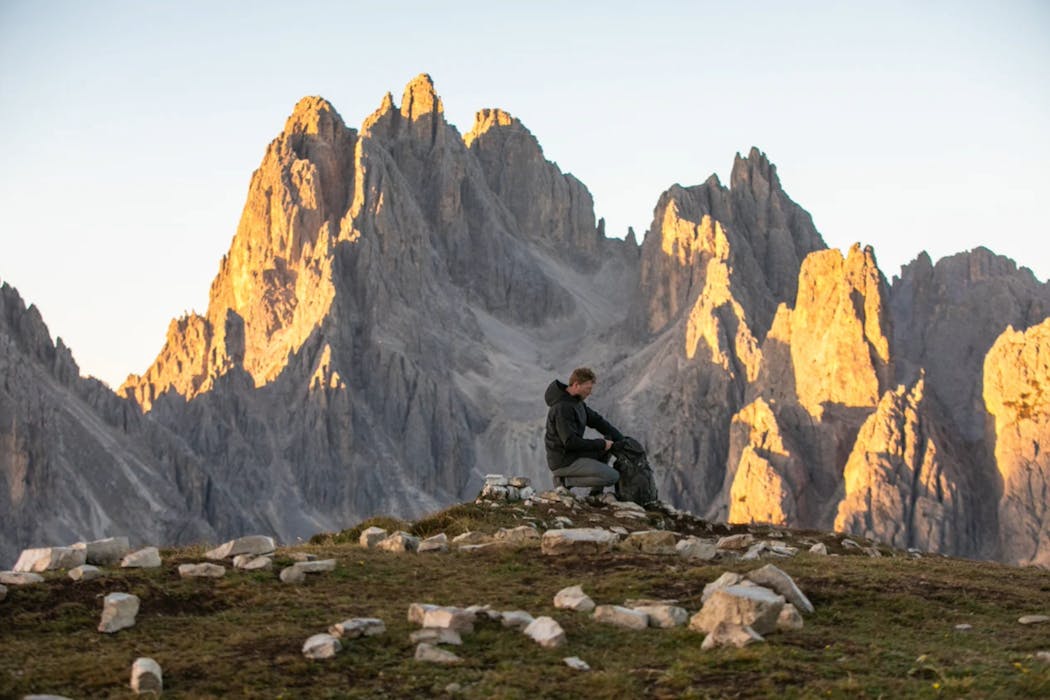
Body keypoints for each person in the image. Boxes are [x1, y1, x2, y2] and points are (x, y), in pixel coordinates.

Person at [544, 367, 624, 495]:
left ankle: (595, 494)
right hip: (563, 461)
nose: (590, 392)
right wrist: (601, 444)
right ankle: (565, 481)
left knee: (607, 445)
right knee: (612, 476)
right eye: (588, 388)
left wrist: (621, 439)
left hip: (573, 454)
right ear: (576, 385)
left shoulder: (577, 402)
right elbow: (571, 442)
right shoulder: (562, 408)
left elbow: (597, 421)